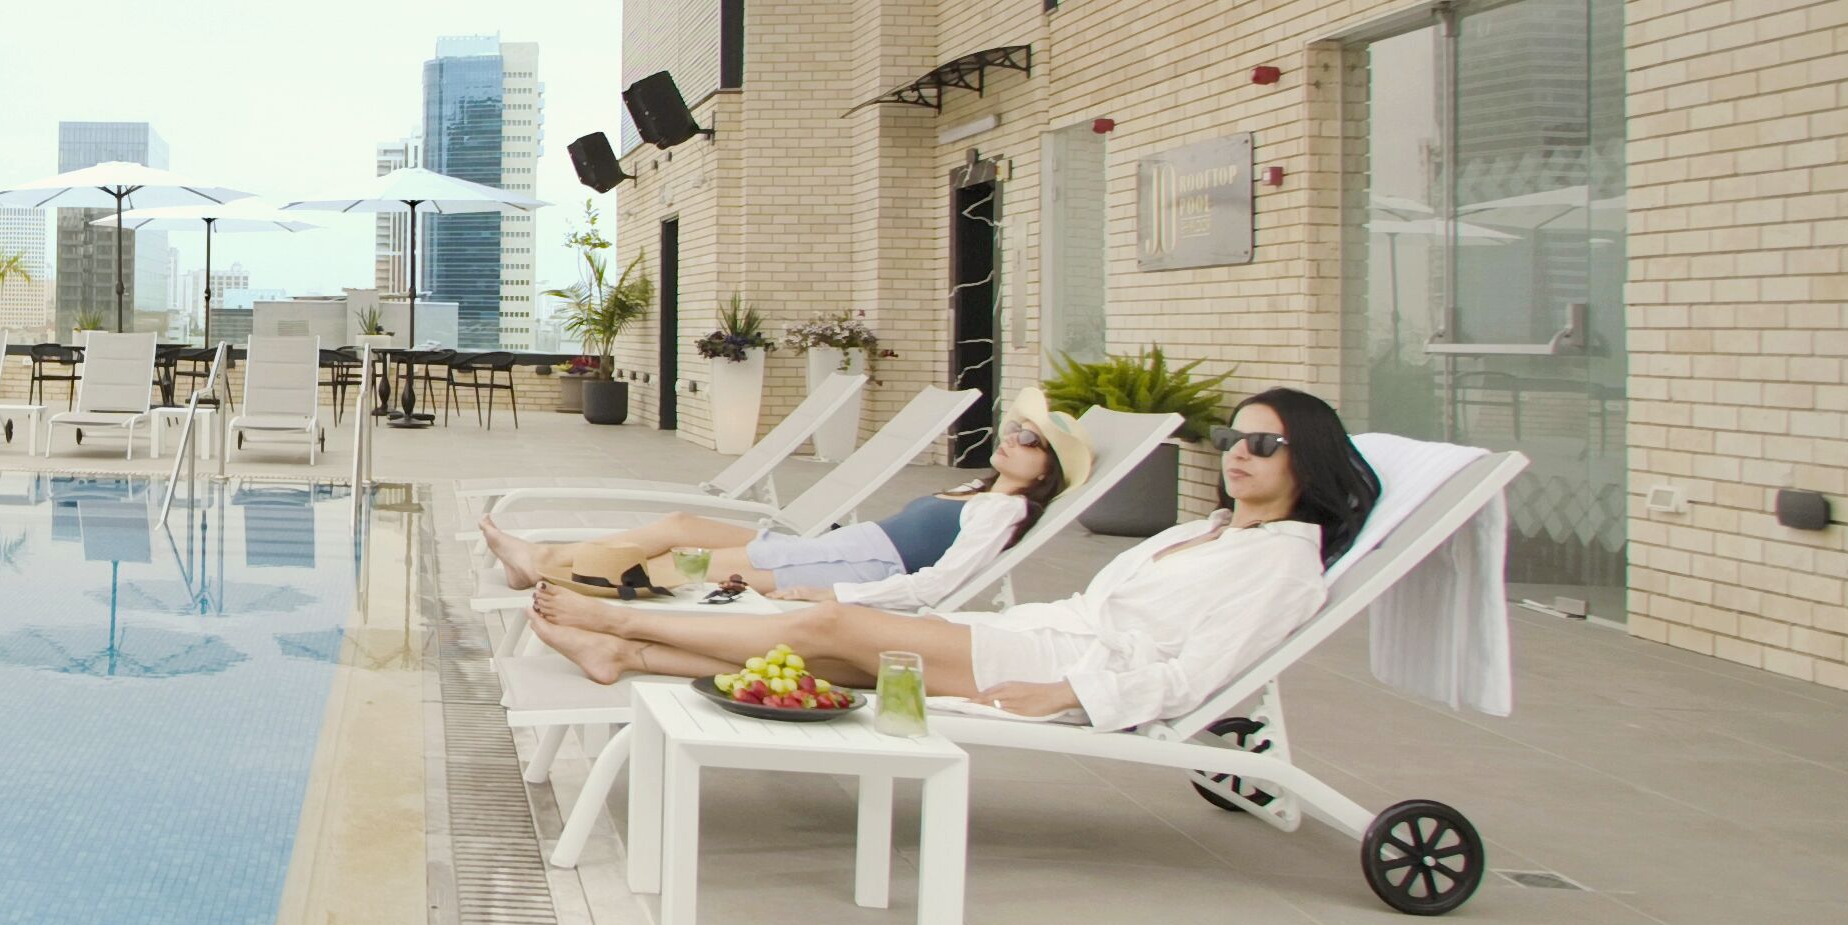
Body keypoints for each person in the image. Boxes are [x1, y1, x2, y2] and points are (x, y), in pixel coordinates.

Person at [527, 389, 1381, 731]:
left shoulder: (1280, 567)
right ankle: (627, 653)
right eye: (1233, 437)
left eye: (1262, 444)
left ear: (1305, 460)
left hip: (1066, 659)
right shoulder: (1208, 531)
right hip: (1040, 634)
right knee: (825, 655)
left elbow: (1201, 668)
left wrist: (1074, 693)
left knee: (824, 623)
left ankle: (617, 617)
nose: (1238, 453)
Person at [479, 412, 1088, 613]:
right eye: (1015, 430)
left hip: (853, 566)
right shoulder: (980, 493)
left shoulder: (1001, 514)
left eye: (1031, 442)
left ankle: (545, 566)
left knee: (681, 564)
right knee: (680, 529)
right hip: (839, 547)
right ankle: (543, 562)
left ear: (1048, 471)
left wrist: (840, 598)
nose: (1014, 439)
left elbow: (943, 583)